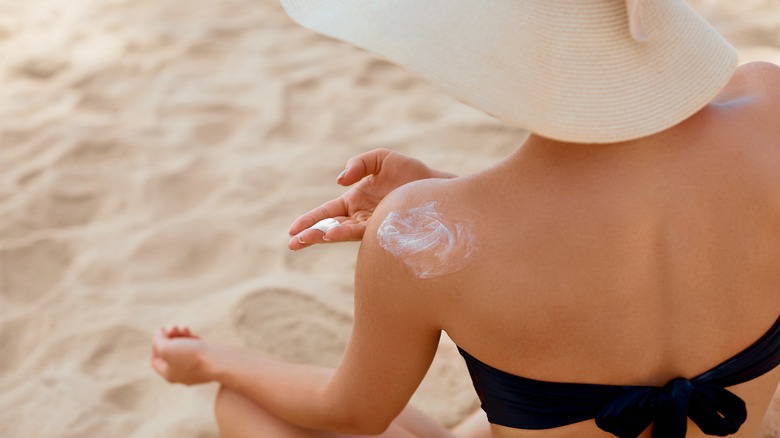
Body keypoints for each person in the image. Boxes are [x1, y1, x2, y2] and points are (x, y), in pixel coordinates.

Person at [151, 0, 780, 437]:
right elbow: (644, 237)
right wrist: (444, 200)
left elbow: (352, 411)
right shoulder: (769, 108)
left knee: (246, 405)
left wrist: (207, 361)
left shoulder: (412, 232)